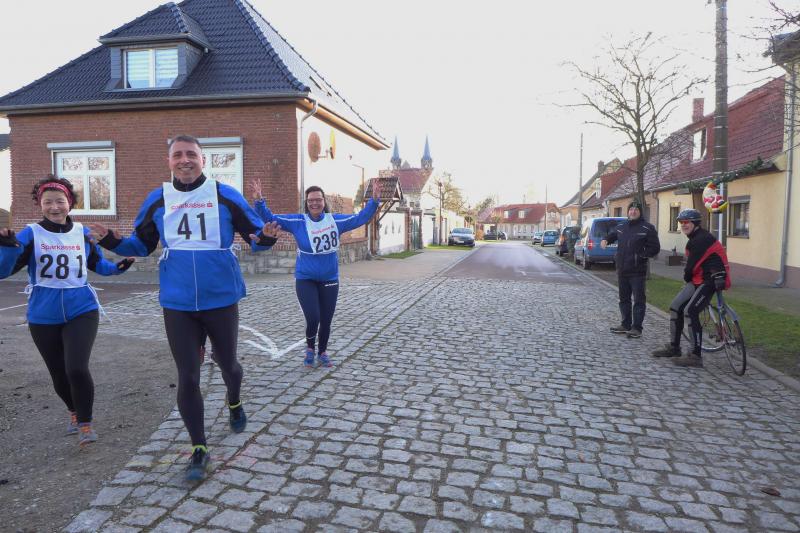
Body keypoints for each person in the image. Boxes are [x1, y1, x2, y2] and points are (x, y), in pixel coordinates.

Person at [89, 135, 280, 482]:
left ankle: (234, 401)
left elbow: (256, 238)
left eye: (191, 154)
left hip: (220, 297)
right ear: (169, 161)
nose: (184, 160)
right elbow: (142, 245)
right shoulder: (158, 198)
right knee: (188, 375)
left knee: (228, 364)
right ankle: (199, 448)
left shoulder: (225, 195)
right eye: (177, 155)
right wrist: (111, 241)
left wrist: (266, 237)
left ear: (203, 160)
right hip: (177, 302)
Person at [0, 175, 135, 447]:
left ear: (69, 203)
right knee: (59, 373)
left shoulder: (82, 233)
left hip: (81, 309)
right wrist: (9, 247)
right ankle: (73, 411)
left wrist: (118, 268)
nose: (54, 207)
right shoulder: (30, 234)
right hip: (43, 314)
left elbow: (97, 264)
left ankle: (85, 423)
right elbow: (4, 271)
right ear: (40, 205)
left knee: (76, 367)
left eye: (60, 201)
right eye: (48, 202)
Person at [251, 178, 381, 368]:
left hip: (329, 278)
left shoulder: (335, 220)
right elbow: (271, 218)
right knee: (313, 317)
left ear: (323, 201)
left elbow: (360, 218)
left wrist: (374, 201)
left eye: (318, 200)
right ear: (307, 203)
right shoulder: (298, 222)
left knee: (326, 320)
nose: (314, 203)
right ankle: (310, 348)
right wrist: (259, 200)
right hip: (306, 279)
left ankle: (323, 352)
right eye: (311, 200)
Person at [651, 208, 730, 367]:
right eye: (681, 222)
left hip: (711, 280)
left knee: (690, 311)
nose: (683, 225)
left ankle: (695, 356)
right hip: (698, 279)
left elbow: (690, 268)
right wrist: (689, 280)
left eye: (687, 222)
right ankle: (674, 347)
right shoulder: (695, 238)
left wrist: (687, 279)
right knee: (675, 307)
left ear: (695, 223)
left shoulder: (700, 240)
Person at [601, 200, 661, 338]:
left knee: (638, 300)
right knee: (624, 299)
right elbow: (612, 235)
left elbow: (655, 248)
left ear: (640, 212)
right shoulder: (622, 226)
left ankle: (637, 328)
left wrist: (641, 256)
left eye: (636, 210)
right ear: (628, 212)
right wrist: (605, 239)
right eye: (631, 209)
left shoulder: (647, 228)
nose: (633, 212)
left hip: (637, 271)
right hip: (622, 269)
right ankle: (625, 324)